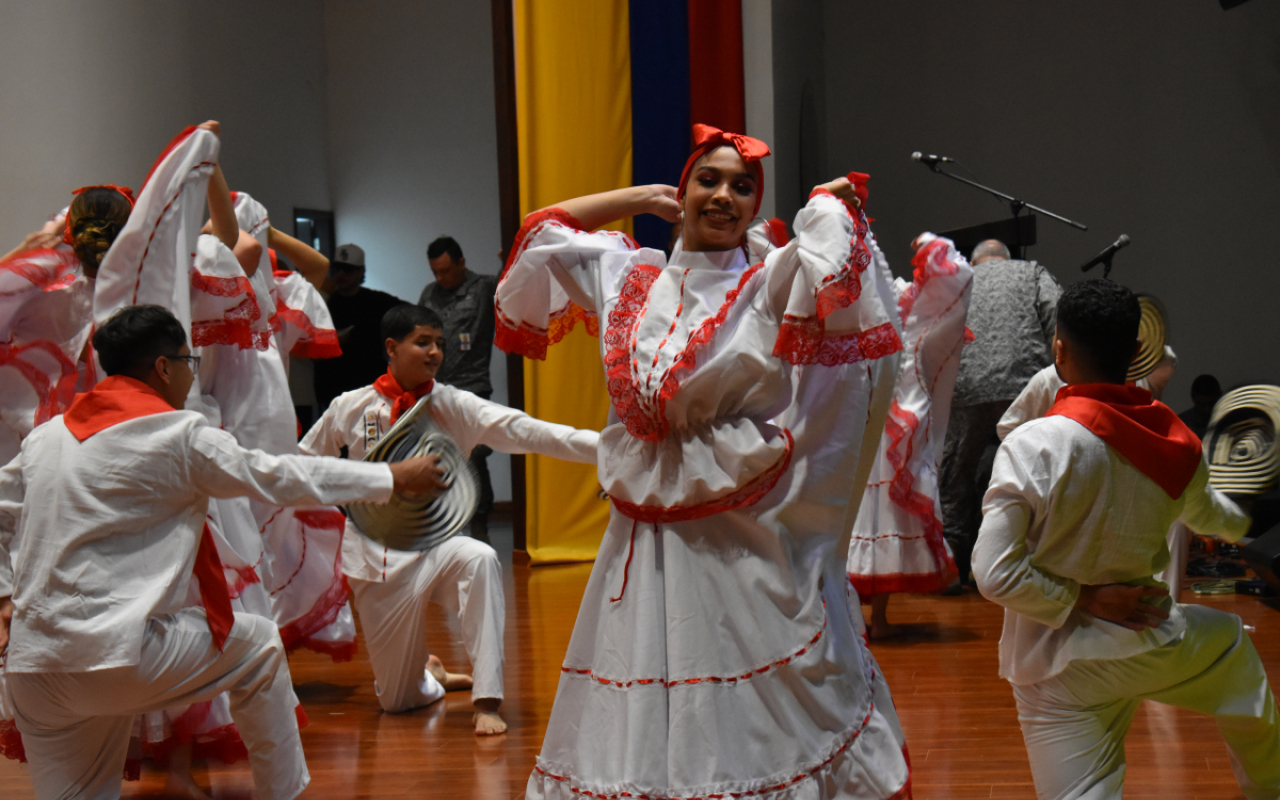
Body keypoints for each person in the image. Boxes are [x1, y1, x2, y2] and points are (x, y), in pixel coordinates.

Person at [496, 124, 913, 799]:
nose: (723, 196)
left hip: (740, 525)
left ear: (755, 207)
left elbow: (842, 275)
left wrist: (824, 205)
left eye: (742, 187)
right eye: (708, 180)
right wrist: (641, 196)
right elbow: (541, 233)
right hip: (641, 535)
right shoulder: (627, 276)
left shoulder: (769, 279)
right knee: (648, 674)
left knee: (741, 668)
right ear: (683, 190)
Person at [0, 304, 445, 800]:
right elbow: (279, 476)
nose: (192, 374)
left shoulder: (45, 438)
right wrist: (391, 476)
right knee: (257, 645)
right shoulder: (178, 434)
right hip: (121, 656)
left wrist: (2, 595)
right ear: (164, 368)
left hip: (32, 665)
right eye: (188, 362)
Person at [973, 280, 1280, 800]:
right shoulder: (1177, 443)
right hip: (1148, 639)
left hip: (1050, 664)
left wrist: (1080, 599)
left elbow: (994, 573)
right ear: (1139, 352)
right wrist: (1244, 516)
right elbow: (1216, 519)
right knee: (1234, 651)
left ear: (1059, 350)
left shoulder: (1032, 445)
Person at [299, 303, 597, 736]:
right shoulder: (351, 406)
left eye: (439, 343)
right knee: (398, 703)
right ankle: (431, 677)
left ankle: (488, 699)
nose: (436, 352)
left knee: (479, 558)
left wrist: (606, 449)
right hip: (375, 560)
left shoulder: (454, 405)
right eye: (424, 342)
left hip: (436, 547)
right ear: (392, 347)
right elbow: (306, 465)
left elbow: (529, 430)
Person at [847, 233, 973, 639]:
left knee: (876, 513)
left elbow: (956, 274)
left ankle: (875, 619)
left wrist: (929, 243)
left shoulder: (910, 315)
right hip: (862, 426)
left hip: (889, 429)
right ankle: (859, 617)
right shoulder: (859, 309)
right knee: (856, 517)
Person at [939, 237, 1060, 590]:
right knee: (1033, 469)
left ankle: (953, 567)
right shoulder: (1032, 272)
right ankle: (1031, 560)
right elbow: (1057, 320)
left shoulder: (957, 278)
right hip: (1025, 384)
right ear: (1007, 258)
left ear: (974, 261)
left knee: (956, 477)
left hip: (967, 388)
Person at [417, 236, 500, 542]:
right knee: (437, 459)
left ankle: (480, 528)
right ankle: (446, 531)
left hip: (473, 387)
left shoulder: (483, 288)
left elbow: (513, 290)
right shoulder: (429, 294)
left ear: (461, 263)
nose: (440, 278)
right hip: (435, 390)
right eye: (435, 272)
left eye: (446, 271)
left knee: (474, 457)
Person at [313, 243, 402, 410]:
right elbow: (310, 347)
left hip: (369, 390)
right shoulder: (324, 304)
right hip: (334, 391)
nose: (341, 275)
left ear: (360, 272)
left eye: (347, 270)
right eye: (337, 269)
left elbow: (409, 315)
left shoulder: (377, 302)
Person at [1178, 373, 1222, 439]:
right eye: (1202, 405)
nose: (1207, 410)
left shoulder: (1229, 421)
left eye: (1211, 404)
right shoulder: (1182, 424)